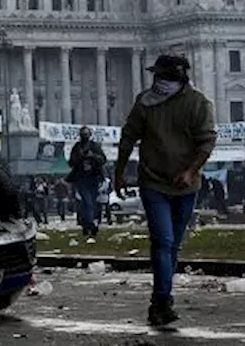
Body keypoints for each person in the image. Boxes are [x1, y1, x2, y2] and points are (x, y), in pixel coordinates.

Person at [113, 54, 216, 328]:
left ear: (179, 79)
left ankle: (162, 299)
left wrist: (190, 171)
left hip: (186, 186)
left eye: (165, 77)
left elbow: (206, 142)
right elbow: (128, 136)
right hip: (153, 182)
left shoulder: (198, 104)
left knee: (171, 246)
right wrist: (119, 172)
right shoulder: (145, 102)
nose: (159, 82)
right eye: (157, 77)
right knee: (163, 241)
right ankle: (161, 301)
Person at [67, 125, 107, 237]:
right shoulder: (77, 147)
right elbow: (71, 162)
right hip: (81, 178)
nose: (84, 137)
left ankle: (88, 224)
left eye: (86, 134)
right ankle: (90, 224)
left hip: (93, 178)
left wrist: (92, 156)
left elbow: (103, 159)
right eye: (82, 135)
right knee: (87, 201)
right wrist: (79, 158)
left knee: (91, 202)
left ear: (89, 135)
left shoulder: (94, 146)